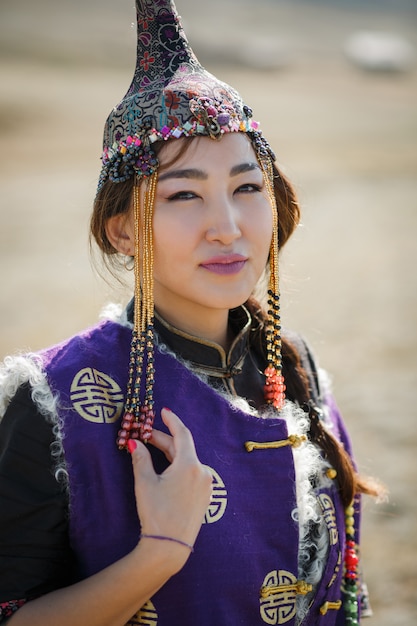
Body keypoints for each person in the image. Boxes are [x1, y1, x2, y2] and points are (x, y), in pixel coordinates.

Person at [0, 1, 381, 624]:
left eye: (246, 187)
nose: (227, 227)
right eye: (184, 195)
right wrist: (160, 552)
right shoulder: (52, 398)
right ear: (123, 232)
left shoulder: (292, 365)